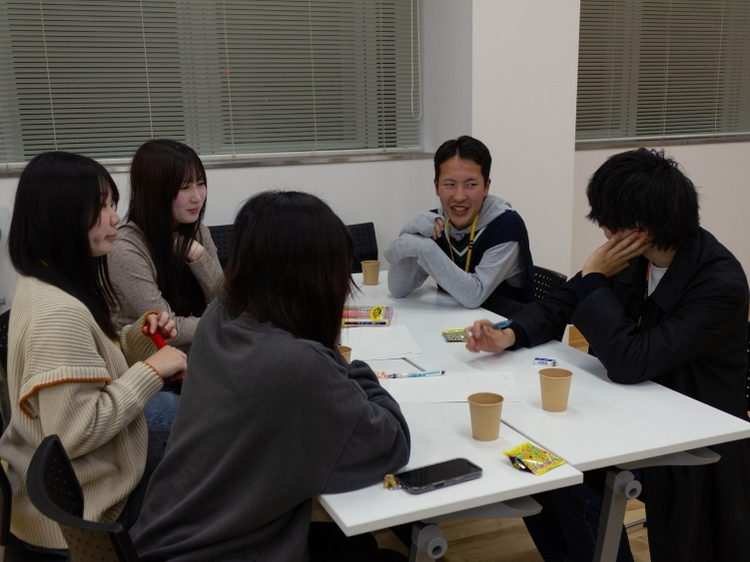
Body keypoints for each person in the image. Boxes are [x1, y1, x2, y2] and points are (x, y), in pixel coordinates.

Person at [465, 148, 750, 562]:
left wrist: (595, 278)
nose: (601, 229)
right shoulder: (636, 257)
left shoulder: (719, 283)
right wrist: (509, 334)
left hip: (689, 434)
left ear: (641, 229)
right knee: (529, 463)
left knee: (568, 478)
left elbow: (631, 361)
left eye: (606, 220)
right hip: (628, 410)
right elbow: (565, 301)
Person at [131, 191, 411, 562]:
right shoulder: (296, 364)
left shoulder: (220, 316)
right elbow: (391, 442)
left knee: (354, 544)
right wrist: (350, 365)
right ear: (313, 280)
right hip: (223, 550)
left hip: (164, 536)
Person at [0, 151, 187, 554]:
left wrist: (139, 338)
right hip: (88, 504)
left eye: (112, 204)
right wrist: (151, 371)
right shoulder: (58, 313)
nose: (115, 217)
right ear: (61, 216)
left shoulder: (44, 282)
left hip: (91, 474)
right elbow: (75, 431)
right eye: (101, 207)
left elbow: (89, 369)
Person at [385, 135, 534, 309]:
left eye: (471, 185)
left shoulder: (506, 226)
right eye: (450, 184)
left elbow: (474, 295)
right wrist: (409, 231)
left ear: (486, 186)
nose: (459, 196)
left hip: (503, 323)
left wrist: (423, 248)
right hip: (453, 321)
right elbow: (398, 289)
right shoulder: (436, 223)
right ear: (436, 186)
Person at [108, 139, 223, 352]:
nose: (197, 197)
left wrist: (197, 255)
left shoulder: (198, 232)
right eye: (184, 187)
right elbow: (167, 329)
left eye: (200, 183)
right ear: (154, 192)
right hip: (146, 363)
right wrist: (223, 323)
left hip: (196, 355)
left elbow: (225, 302)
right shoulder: (125, 248)